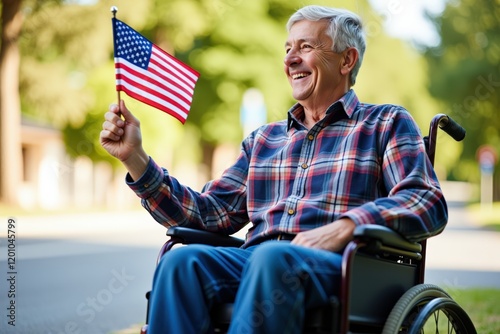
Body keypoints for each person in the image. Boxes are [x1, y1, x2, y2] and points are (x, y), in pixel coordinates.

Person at [100, 5, 447, 333]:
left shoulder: (384, 122)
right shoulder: (264, 140)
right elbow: (207, 214)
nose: (290, 58)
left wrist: (347, 226)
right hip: (257, 262)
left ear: (347, 60)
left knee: (273, 258)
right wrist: (136, 159)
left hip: (344, 267)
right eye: (287, 49)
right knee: (181, 263)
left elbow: (426, 201)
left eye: (306, 46)